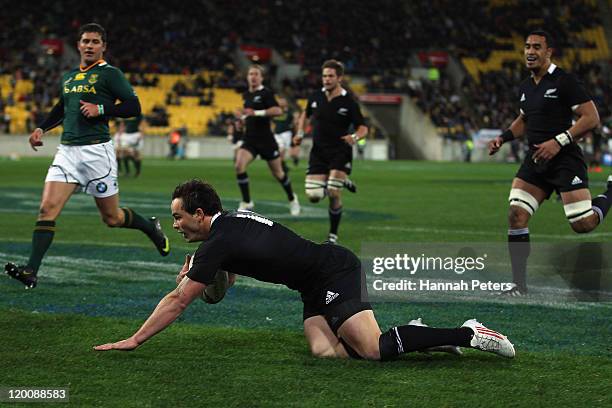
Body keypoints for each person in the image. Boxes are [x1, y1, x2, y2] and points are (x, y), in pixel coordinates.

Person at [94, 179, 515, 361]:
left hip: (334, 271)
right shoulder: (225, 229)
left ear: (200, 214)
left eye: (178, 217)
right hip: (310, 284)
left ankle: (469, 332)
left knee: (372, 352)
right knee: (326, 353)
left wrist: (135, 339)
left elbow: (179, 301)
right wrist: (201, 278)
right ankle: (421, 337)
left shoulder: (218, 241)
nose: (175, 225)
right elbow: (223, 286)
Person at [4, 23, 170, 289]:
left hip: (96, 153)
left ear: (103, 46)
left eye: (95, 42)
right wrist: (41, 128)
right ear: (79, 45)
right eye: (85, 41)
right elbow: (62, 107)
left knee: (112, 218)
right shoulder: (69, 77)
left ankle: (149, 227)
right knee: (47, 209)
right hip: (67, 152)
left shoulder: (110, 74)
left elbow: (133, 106)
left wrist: (101, 108)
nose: (90, 46)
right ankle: (31, 270)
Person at [488, 30, 611, 296]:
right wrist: (504, 137)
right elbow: (524, 119)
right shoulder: (526, 86)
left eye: (536, 47)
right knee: (516, 215)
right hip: (536, 161)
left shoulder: (565, 81)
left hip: (565, 159)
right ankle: (519, 286)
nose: (530, 52)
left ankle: (611, 192)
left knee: (583, 224)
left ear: (548, 52)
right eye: (527, 47)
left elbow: (591, 117)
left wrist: (559, 141)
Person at [295, 60, 366, 243]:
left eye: (330, 76)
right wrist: (300, 133)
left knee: (334, 192)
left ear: (339, 78)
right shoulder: (315, 97)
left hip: (340, 151)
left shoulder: (348, 102)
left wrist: (355, 138)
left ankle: (332, 235)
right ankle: (343, 180)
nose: (326, 79)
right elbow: (305, 115)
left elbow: (363, 128)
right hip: (318, 152)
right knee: (314, 196)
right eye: (324, 76)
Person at [235, 64, 300, 216]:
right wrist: (241, 122)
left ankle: (292, 198)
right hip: (250, 138)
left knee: (278, 173)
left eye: (256, 74)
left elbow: (277, 111)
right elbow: (248, 115)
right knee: (239, 165)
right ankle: (246, 201)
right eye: (251, 74)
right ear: (247, 77)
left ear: (261, 77)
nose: (253, 76)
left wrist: (256, 112)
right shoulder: (246, 96)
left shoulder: (266, 93)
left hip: (266, 140)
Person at [272, 96, 298, 172]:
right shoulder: (275, 112)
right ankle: (283, 167)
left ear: (286, 102)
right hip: (277, 134)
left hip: (286, 133)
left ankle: (282, 166)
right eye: (279, 101)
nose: (281, 103)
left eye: (282, 101)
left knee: (283, 151)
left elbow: (295, 123)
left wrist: (296, 133)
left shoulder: (290, 112)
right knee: (281, 150)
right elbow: (272, 123)